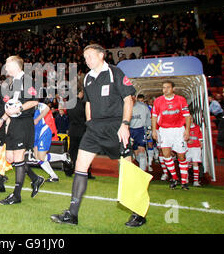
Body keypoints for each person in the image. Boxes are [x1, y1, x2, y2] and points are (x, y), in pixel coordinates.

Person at [50, 44, 145, 227]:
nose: (87, 61)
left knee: (127, 169)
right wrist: (89, 122)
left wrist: (125, 125)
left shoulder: (115, 72)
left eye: (90, 56)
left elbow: (128, 99)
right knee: (80, 166)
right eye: (85, 58)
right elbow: (88, 103)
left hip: (115, 126)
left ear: (102, 55)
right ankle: (72, 214)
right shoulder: (87, 78)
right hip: (94, 128)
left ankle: (138, 212)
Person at [0, 55, 44, 205]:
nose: (5, 67)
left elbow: (35, 100)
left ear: (16, 65)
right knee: (10, 158)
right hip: (13, 123)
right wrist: (2, 120)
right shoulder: (10, 83)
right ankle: (35, 179)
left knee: (19, 158)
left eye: (7, 64)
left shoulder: (27, 80)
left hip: (23, 122)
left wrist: (20, 108)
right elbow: (9, 107)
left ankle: (16, 195)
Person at [152, 80, 191, 190]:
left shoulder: (181, 100)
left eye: (168, 87)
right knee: (166, 154)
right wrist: (154, 130)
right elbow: (154, 116)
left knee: (181, 156)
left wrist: (187, 130)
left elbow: (187, 116)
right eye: (164, 87)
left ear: (173, 89)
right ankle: (174, 178)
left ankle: (184, 181)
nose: (165, 90)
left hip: (178, 130)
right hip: (164, 131)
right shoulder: (158, 101)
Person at [33, 101, 71, 182]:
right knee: (37, 157)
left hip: (43, 131)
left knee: (41, 157)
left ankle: (63, 157)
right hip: (33, 133)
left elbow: (46, 108)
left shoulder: (36, 104)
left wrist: (37, 119)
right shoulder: (20, 106)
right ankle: (54, 176)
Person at [130, 95, 152, 172]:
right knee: (136, 153)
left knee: (142, 151)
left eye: (132, 97)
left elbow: (149, 119)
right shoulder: (125, 106)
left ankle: (143, 172)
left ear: (135, 97)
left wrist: (149, 132)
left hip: (141, 130)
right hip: (130, 130)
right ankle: (144, 164)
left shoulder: (143, 107)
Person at [186, 120, 203, 187]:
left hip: (196, 147)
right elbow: (182, 137)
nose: (190, 120)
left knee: (195, 163)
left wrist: (201, 143)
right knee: (186, 164)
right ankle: (185, 179)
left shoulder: (198, 127)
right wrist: (187, 140)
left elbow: (200, 137)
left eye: (191, 118)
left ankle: (195, 181)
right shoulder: (185, 127)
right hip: (187, 148)